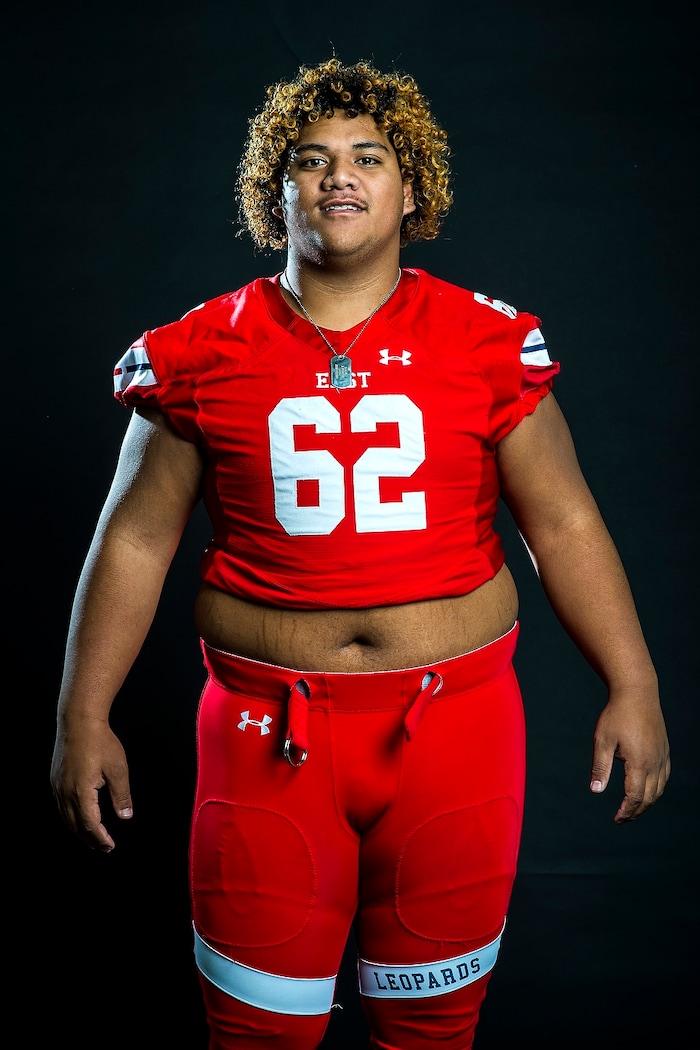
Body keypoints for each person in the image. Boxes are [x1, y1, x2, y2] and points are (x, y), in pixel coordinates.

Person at [50, 56, 670, 1049]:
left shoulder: (483, 341)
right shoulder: (199, 351)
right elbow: (134, 537)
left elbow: (562, 522)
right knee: (257, 1035)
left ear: (410, 187)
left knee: (429, 1030)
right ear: (274, 189)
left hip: (455, 731)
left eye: (368, 156)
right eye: (310, 159)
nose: (339, 175)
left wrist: (631, 682)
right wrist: (83, 715)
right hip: (263, 735)